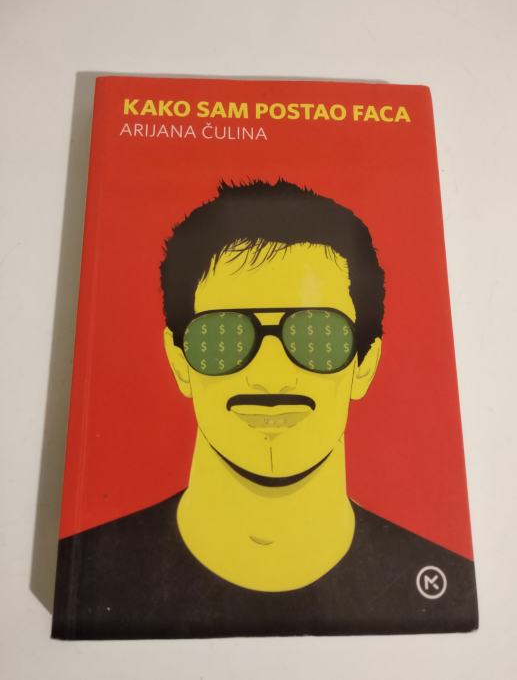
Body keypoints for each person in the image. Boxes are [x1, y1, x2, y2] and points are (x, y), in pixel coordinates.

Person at [52, 180, 477, 639]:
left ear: (365, 363)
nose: (271, 376)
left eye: (317, 335)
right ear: (179, 362)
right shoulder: (86, 577)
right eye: (222, 337)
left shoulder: (436, 588)